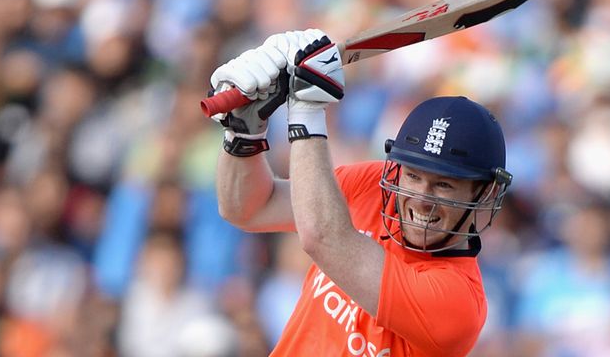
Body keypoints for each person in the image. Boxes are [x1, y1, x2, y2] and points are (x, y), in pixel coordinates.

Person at [210, 29, 513, 356]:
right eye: (413, 176)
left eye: (444, 184)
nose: (422, 199)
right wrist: (246, 132)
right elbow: (249, 208)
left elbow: (324, 239)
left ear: (484, 193)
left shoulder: (458, 303)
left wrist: (307, 108)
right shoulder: (374, 184)